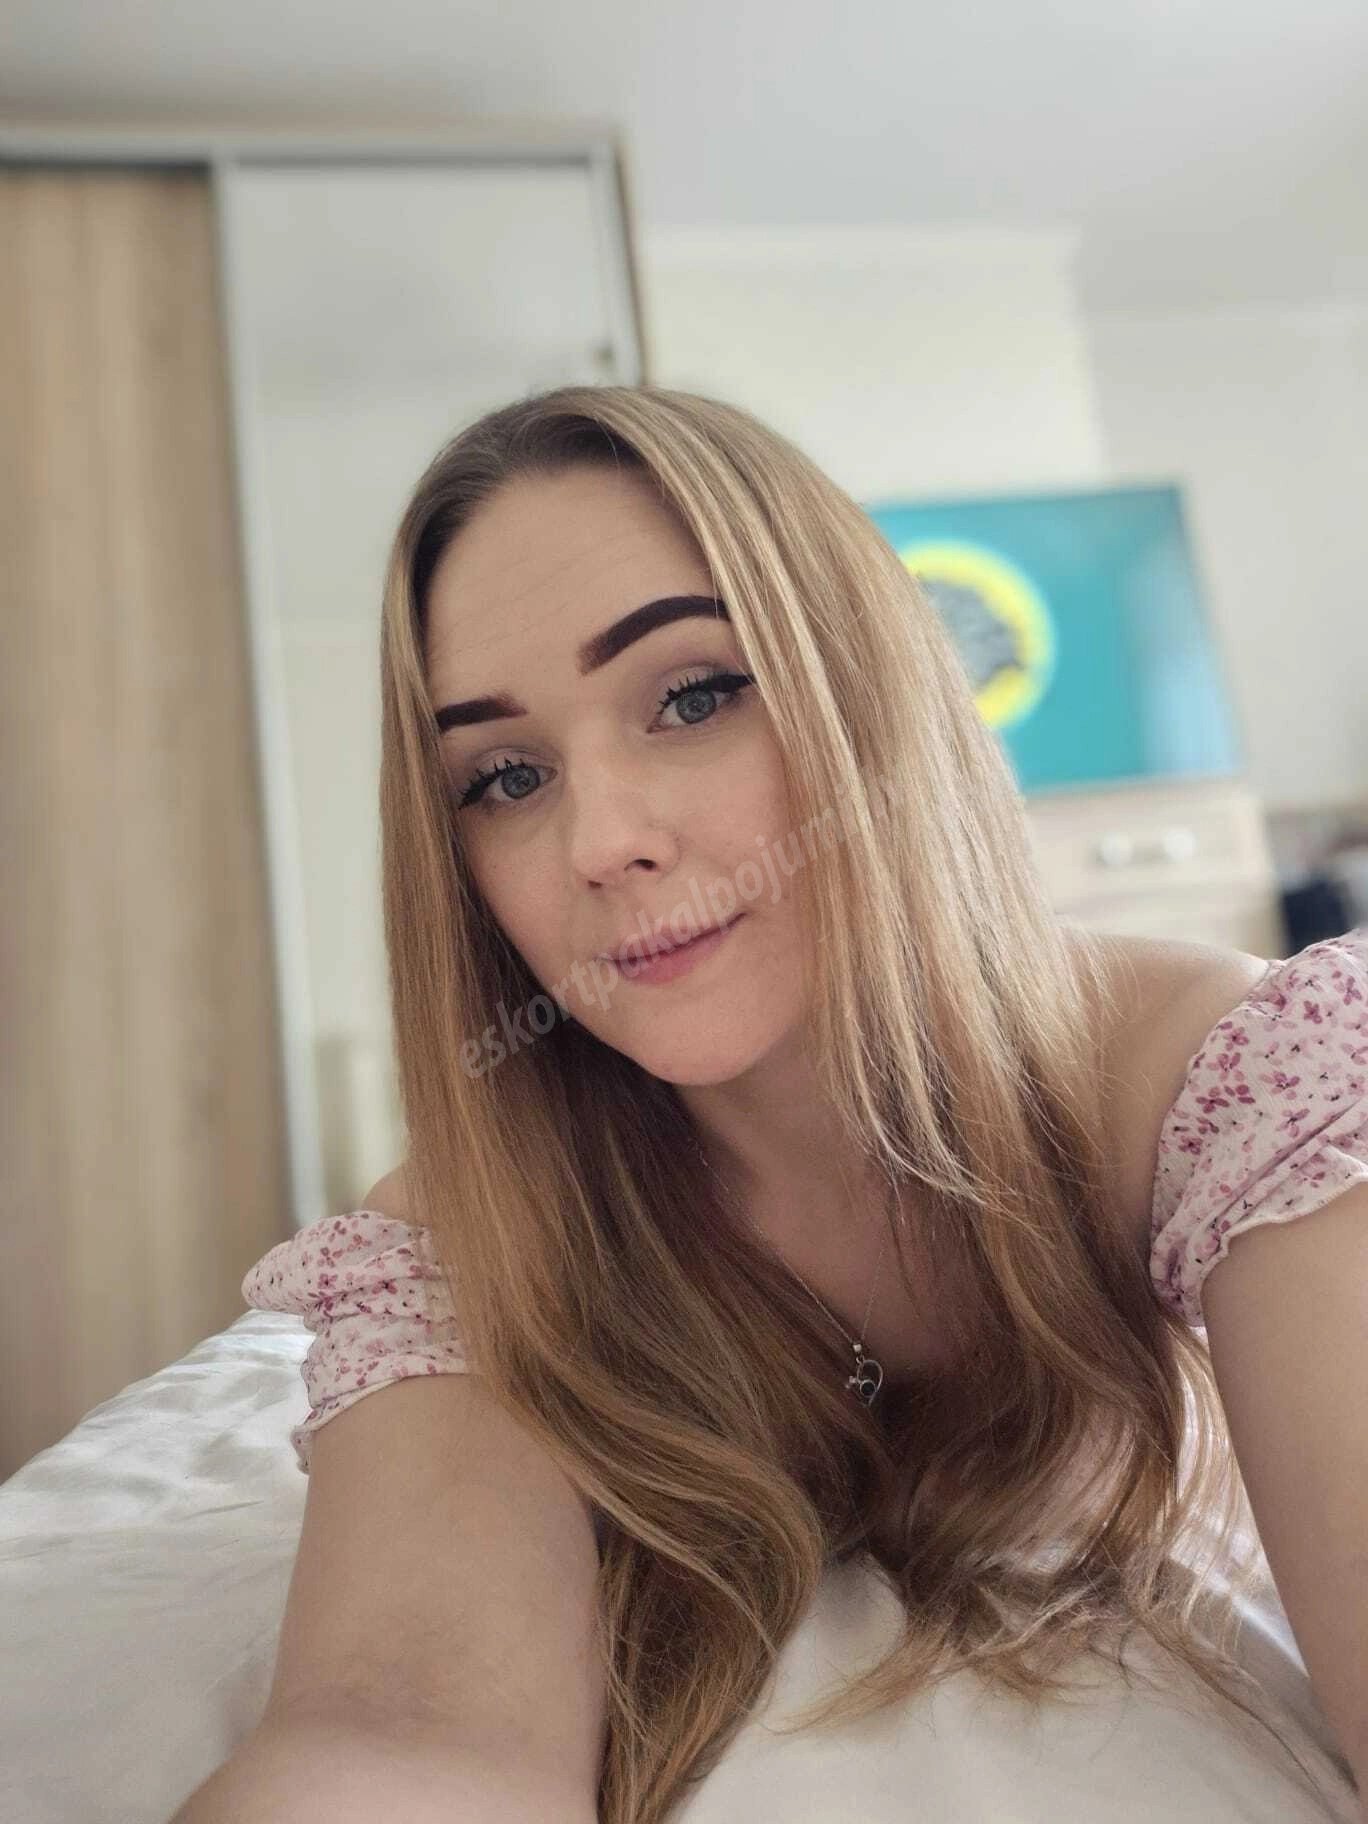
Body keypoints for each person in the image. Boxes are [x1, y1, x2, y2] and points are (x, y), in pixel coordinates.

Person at [187, 386, 1366, 1824]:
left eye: (692, 697)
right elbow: (408, 1742)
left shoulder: (1231, 1083)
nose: (603, 841)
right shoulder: (471, 1245)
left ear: (867, 691)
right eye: (505, 776)